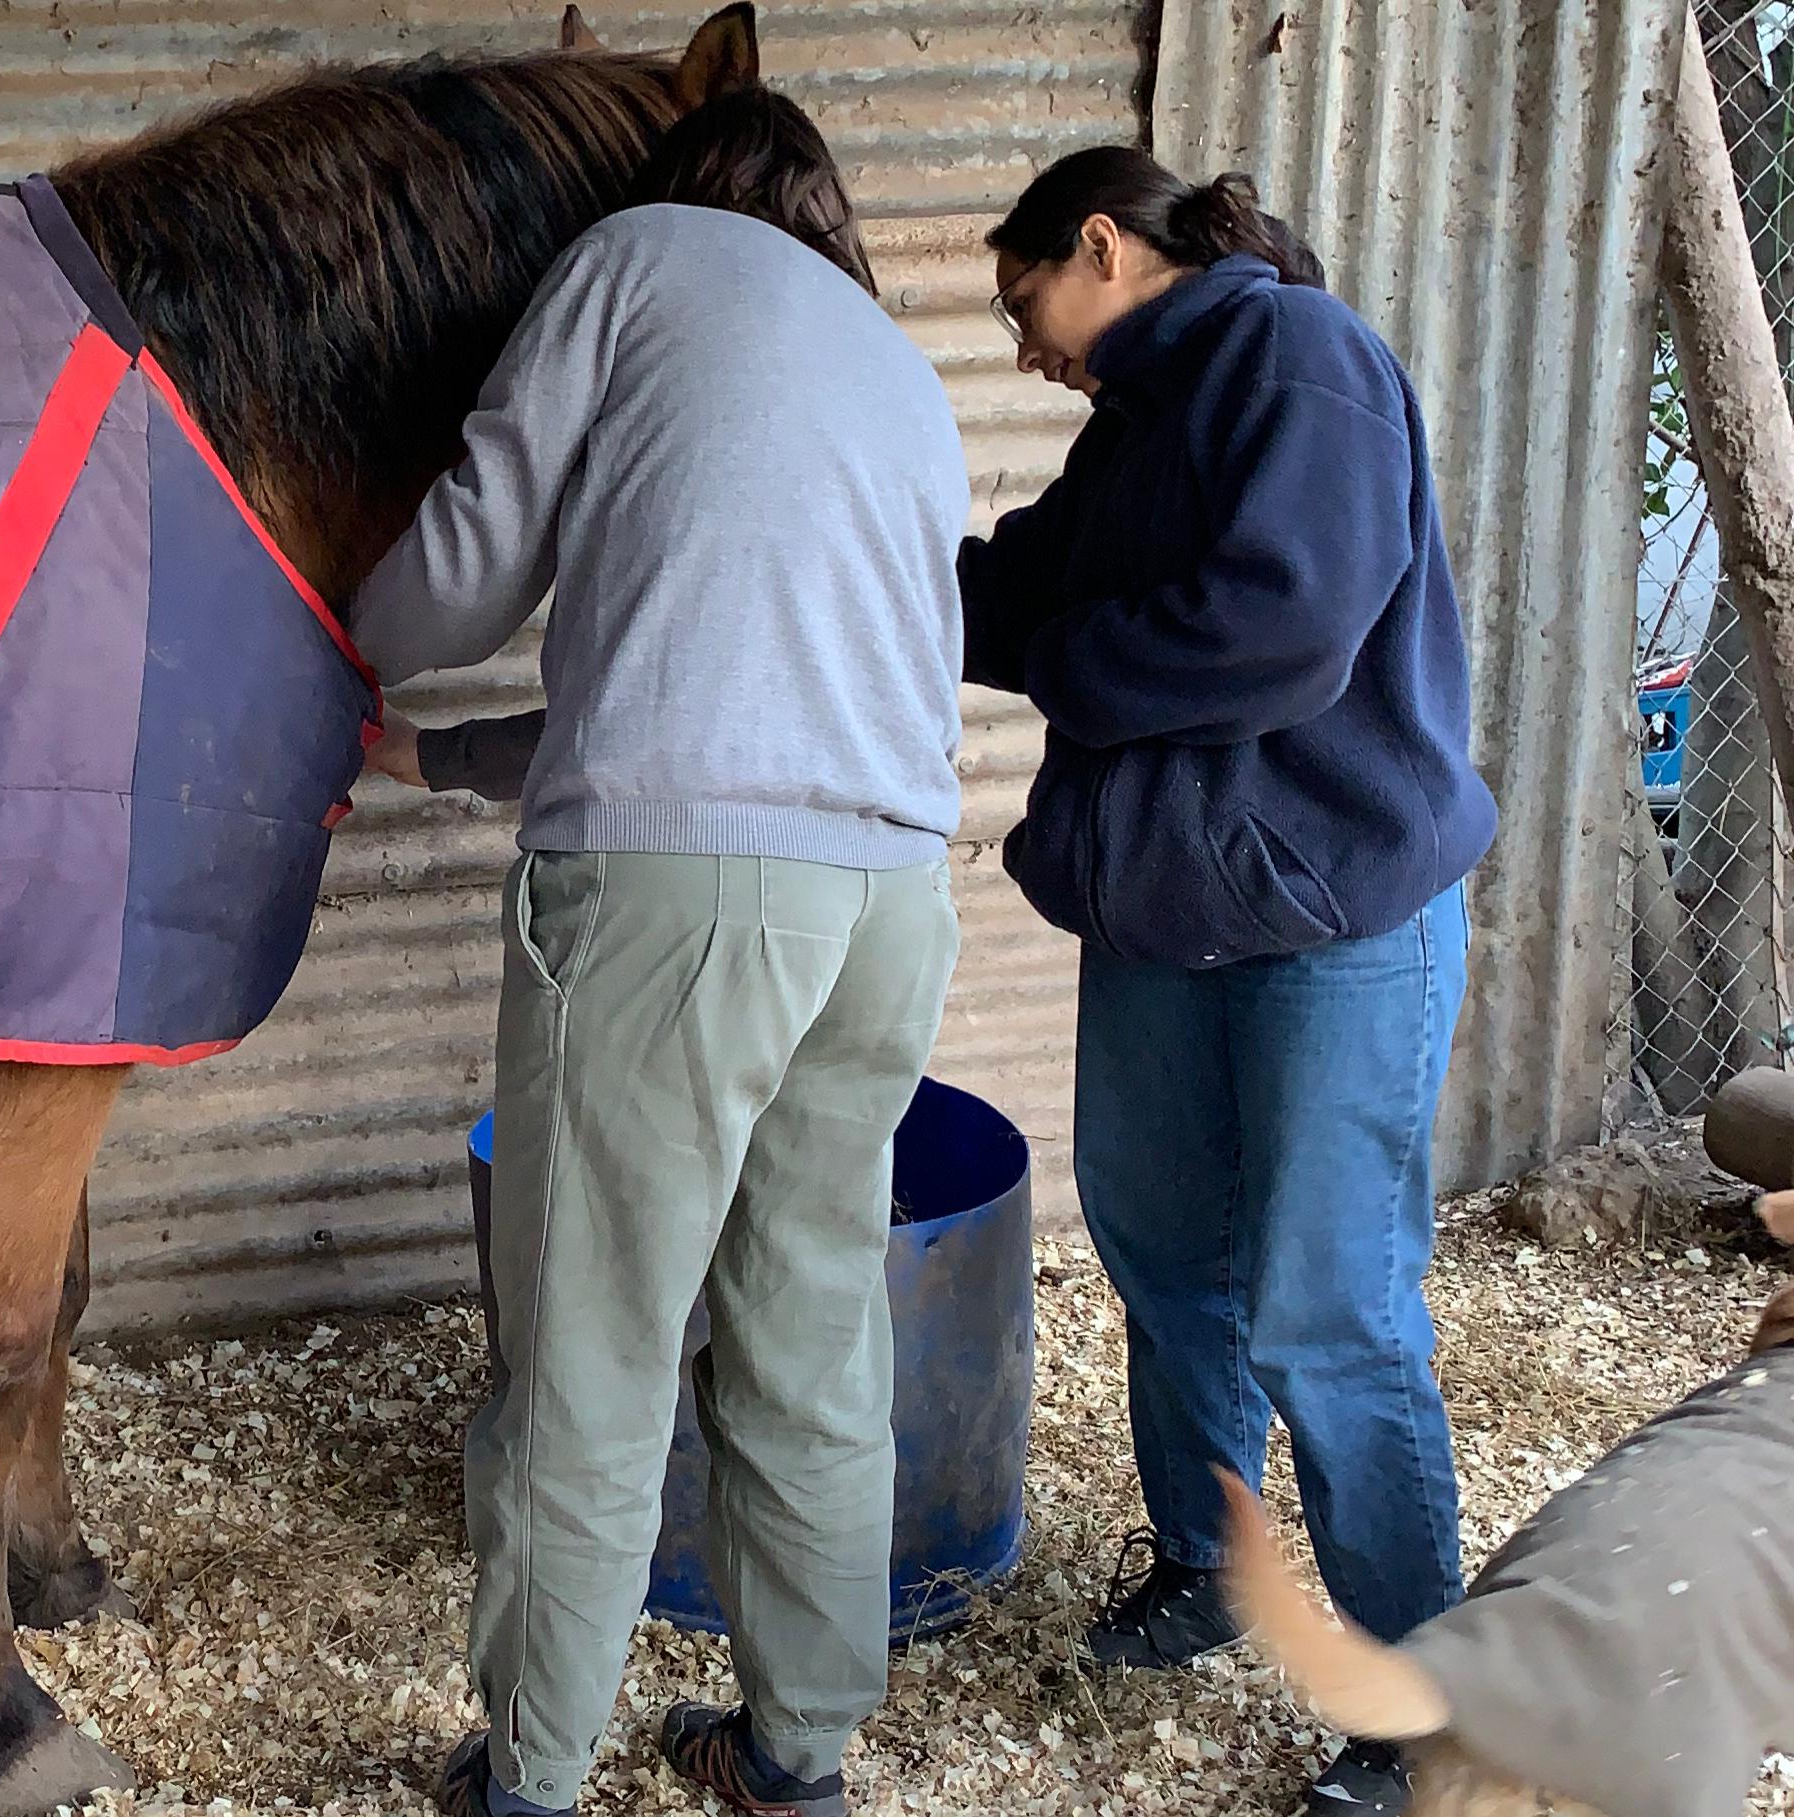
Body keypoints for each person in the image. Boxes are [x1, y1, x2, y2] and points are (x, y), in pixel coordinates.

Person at [347, 82, 968, 1817]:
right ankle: (797, 1756)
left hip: (672, 916)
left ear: (669, 185)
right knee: (811, 1327)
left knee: (589, 1354)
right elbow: (711, 697)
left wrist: (344, 636)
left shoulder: (630, 262)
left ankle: (530, 1782)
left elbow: (466, 565)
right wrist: (444, 759)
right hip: (885, 905)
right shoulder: (895, 375)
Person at [961, 145, 1495, 1817]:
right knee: (1160, 1245)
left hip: (1332, 913)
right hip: (1173, 919)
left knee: (1325, 1305)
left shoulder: (1301, 361)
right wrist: (857, 569)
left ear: (1105, 246)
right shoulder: (1141, 419)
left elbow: (1283, 627)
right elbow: (1027, 584)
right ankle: (1210, 1557)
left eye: (1025, 297)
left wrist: (1059, 664)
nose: (1024, 344)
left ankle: (1428, 1704)